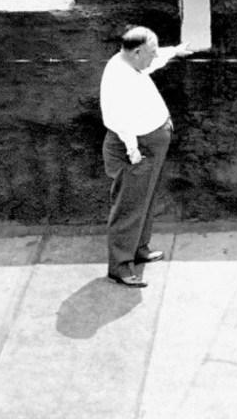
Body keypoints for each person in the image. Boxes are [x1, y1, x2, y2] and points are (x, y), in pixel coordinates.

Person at [99, 26, 193, 287]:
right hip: (137, 150)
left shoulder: (132, 62)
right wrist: (133, 152)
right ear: (138, 51)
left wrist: (174, 51)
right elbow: (118, 120)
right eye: (151, 52)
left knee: (146, 199)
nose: (154, 56)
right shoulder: (119, 77)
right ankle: (120, 266)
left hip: (151, 145)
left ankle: (138, 249)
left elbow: (152, 62)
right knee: (129, 207)